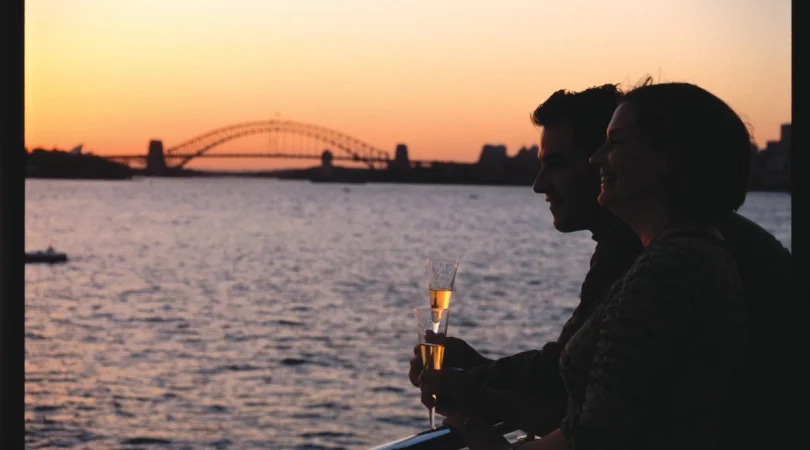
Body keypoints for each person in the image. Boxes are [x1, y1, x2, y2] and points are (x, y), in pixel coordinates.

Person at [432, 81, 795, 449]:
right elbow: (612, 400)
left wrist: (469, 415)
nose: (597, 159)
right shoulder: (690, 247)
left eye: (614, 143)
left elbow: (593, 430)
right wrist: (479, 381)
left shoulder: (669, 268)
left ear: (666, 158)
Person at [409, 84, 643, 437]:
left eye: (556, 165)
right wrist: (477, 368)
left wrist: (469, 389)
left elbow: (568, 387)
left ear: (603, 162)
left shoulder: (639, 257)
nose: (538, 185)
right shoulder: (621, 247)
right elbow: (565, 372)